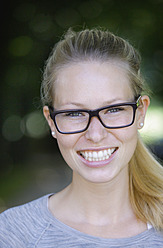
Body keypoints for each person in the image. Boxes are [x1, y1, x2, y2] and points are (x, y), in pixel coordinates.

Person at [0, 28, 163, 248]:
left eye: (113, 110)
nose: (95, 135)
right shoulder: (13, 234)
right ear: (51, 121)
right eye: (74, 113)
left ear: (140, 112)